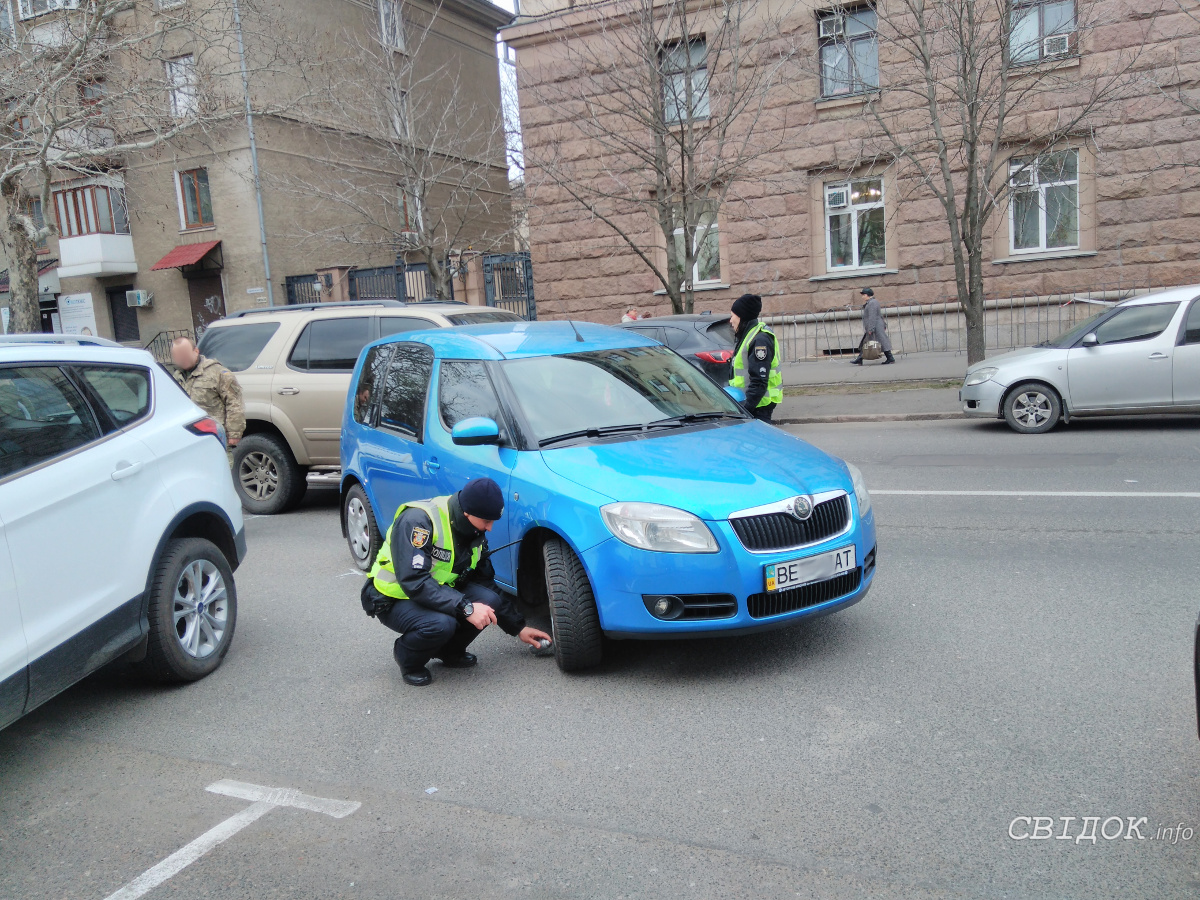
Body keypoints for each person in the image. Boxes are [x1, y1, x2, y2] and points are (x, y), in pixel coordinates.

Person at [361, 477, 552, 687]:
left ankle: (449, 652)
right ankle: (408, 659)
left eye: (493, 521)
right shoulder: (418, 522)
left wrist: (519, 628)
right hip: (394, 597)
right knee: (442, 624)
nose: (490, 528)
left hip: (436, 592)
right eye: (486, 522)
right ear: (467, 512)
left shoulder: (473, 531)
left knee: (488, 601)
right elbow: (413, 580)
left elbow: (486, 583)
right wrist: (466, 607)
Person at [170, 336, 245, 459]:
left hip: (215, 437)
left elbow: (234, 402)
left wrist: (234, 434)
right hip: (188, 440)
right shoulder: (176, 377)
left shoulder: (217, 373)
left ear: (196, 351)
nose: (182, 360)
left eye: (185, 355)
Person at [728, 292, 782, 422]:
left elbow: (759, 382)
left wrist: (745, 410)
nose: (730, 321)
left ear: (742, 317)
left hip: (758, 407)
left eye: (732, 316)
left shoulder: (760, 340)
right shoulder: (748, 335)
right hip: (750, 405)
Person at [851, 287, 895, 365]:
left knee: (881, 341)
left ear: (867, 295)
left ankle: (890, 358)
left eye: (863, 295)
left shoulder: (872, 303)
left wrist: (871, 328)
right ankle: (859, 359)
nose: (862, 297)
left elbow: (872, 316)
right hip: (875, 325)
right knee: (866, 342)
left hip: (875, 326)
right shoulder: (871, 302)